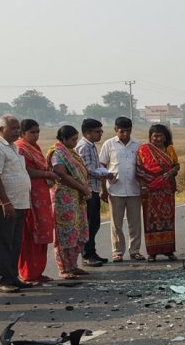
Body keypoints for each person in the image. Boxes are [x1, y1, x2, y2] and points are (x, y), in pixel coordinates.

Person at [0, 114, 32, 293]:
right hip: (5, 203)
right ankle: (3, 279)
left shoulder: (12, 147)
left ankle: (13, 276)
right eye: (12, 128)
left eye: (18, 128)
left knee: (15, 242)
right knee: (4, 242)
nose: (17, 131)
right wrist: (5, 202)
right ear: (1, 129)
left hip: (19, 202)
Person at [16, 119, 59, 285]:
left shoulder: (35, 147)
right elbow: (25, 170)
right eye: (32, 132)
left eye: (37, 132)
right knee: (30, 234)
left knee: (42, 232)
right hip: (30, 195)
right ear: (22, 133)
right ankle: (28, 273)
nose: (36, 135)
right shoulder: (20, 148)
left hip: (41, 195)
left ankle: (38, 271)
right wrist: (46, 175)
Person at [47, 126, 92, 279]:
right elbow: (61, 173)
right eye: (72, 139)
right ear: (64, 139)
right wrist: (81, 187)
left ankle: (73, 265)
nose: (75, 142)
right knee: (64, 233)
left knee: (77, 231)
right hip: (63, 198)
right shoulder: (58, 153)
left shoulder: (71, 153)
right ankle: (63, 268)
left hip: (76, 198)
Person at [99, 116, 144, 261]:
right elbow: (102, 167)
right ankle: (117, 251)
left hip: (134, 189)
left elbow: (143, 167)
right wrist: (103, 189)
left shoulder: (138, 144)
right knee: (116, 223)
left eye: (128, 131)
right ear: (115, 130)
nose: (125, 134)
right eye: (122, 131)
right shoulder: (109, 144)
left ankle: (135, 250)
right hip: (115, 189)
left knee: (135, 222)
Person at [136, 124, 180, 261]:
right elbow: (139, 170)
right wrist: (146, 185)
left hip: (166, 190)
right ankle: (152, 253)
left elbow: (176, 165)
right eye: (154, 136)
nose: (157, 138)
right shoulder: (144, 150)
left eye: (160, 135)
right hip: (150, 191)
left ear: (165, 137)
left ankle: (168, 251)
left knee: (168, 220)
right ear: (150, 137)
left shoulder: (169, 149)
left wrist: (172, 172)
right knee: (151, 221)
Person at [76, 119, 112, 266]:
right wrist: (104, 175)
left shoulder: (91, 145)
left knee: (95, 223)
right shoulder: (84, 146)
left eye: (101, 131)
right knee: (90, 223)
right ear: (87, 133)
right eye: (97, 131)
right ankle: (86, 254)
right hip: (88, 189)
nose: (100, 134)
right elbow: (87, 169)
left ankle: (91, 251)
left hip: (94, 188)